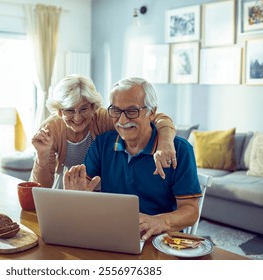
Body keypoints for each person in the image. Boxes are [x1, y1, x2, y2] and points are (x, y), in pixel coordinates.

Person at [63, 77, 201, 240]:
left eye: (131, 111)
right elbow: (83, 190)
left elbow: (190, 211)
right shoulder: (102, 144)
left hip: (158, 240)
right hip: (110, 234)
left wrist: (160, 221)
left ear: (152, 112)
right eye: (116, 111)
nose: (122, 120)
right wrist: (76, 198)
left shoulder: (180, 150)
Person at [30, 74, 177, 189]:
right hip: (68, 190)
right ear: (59, 112)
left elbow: (158, 118)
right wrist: (42, 155)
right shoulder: (50, 129)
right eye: (69, 110)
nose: (77, 118)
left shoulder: (105, 118)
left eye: (84, 109)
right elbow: (41, 188)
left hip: (103, 192)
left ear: (93, 107)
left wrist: (165, 143)